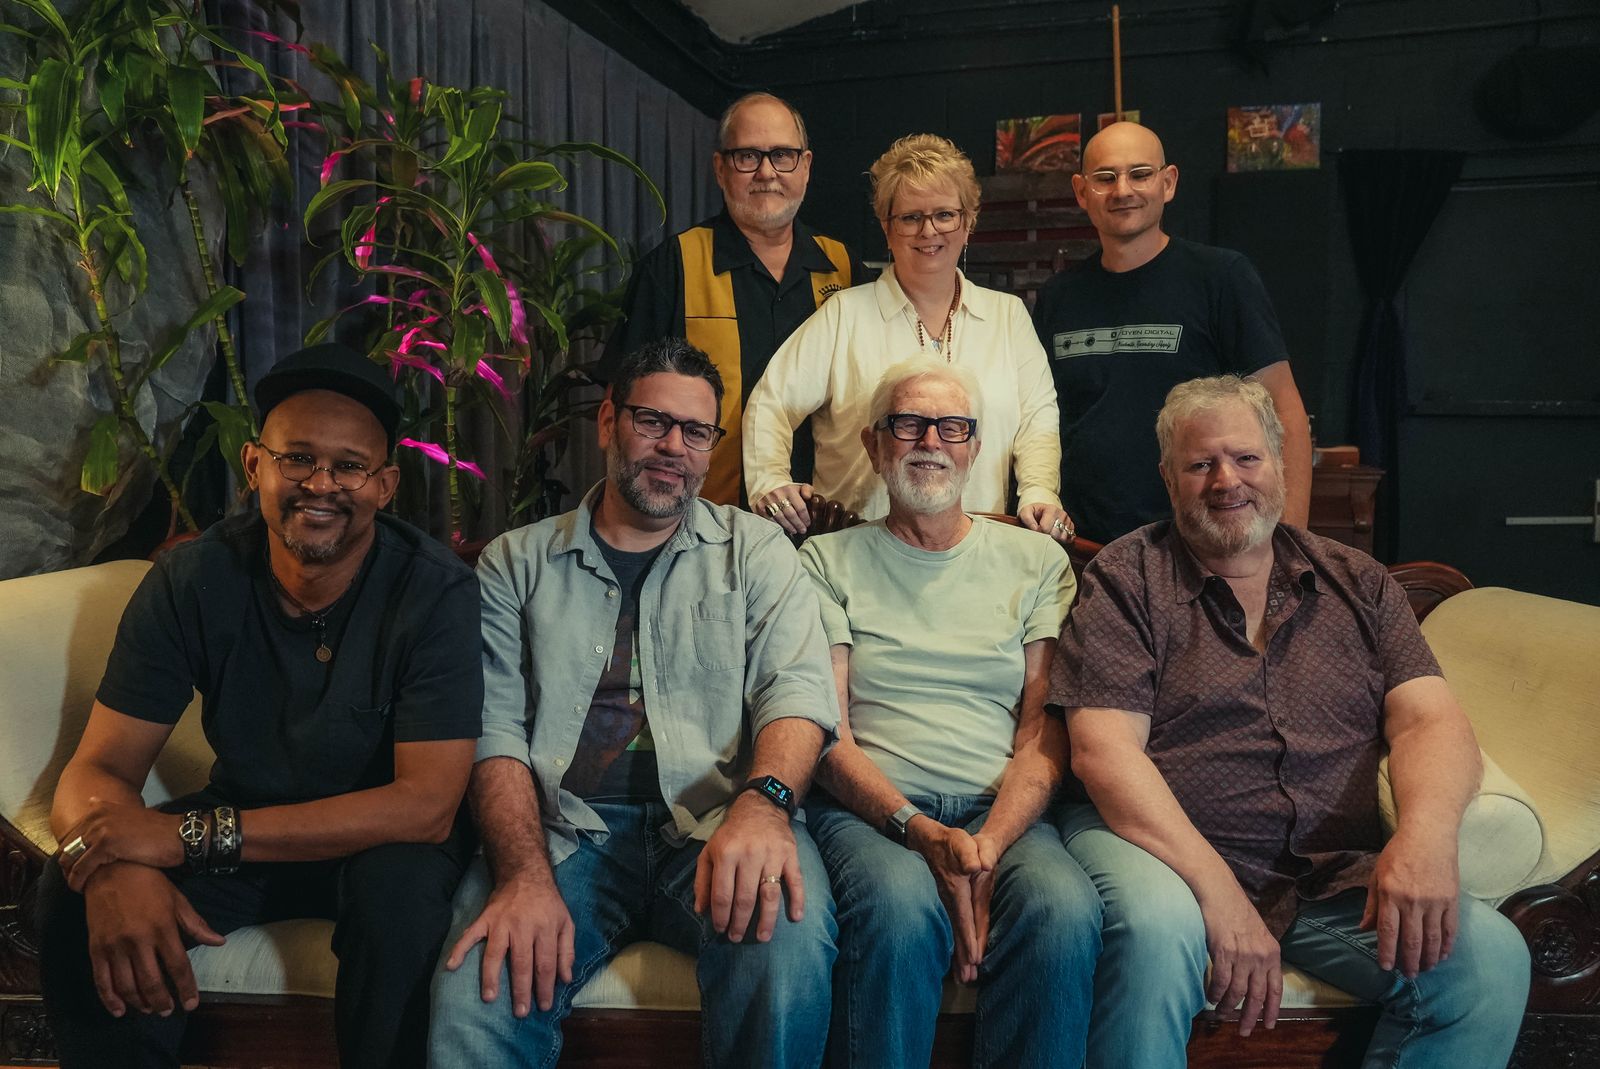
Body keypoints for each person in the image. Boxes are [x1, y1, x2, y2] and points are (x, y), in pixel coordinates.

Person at [1052, 375, 1530, 1067]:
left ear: (1278, 462)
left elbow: (1430, 720)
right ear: (1168, 478)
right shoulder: (1129, 578)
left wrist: (1425, 836)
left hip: (1328, 879)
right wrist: (1219, 895)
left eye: (1246, 457)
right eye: (1201, 463)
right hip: (1168, 858)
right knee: (1156, 928)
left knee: (1490, 963)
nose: (1226, 480)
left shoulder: (1359, 582)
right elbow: (1105, 752)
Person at [38, 343, 484, 1069]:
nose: (321, 484)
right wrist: (115, 865)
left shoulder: (433, 591)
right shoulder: (193, 577)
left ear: (385, 486)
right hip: (248, 815)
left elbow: (425, 807)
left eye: (349, 466)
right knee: (70, 892)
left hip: (383, 838)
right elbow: (100, 768)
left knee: (398, 904)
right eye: (297, 458)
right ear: (254, 466)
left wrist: (184, 838)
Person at [428, 339, 840, 1068]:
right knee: (477, 992)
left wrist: (764, 805)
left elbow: (796, 692)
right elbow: (493, 731)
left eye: (696, 431)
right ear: (608, 421)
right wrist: (522, 873)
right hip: (565, 832)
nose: (673, 447)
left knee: (786, 944)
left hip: (718, 821)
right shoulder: (516, 563)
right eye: (653, 421)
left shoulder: (755, 551)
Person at [797, 360, 1102, 1067]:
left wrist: (990, 843)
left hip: (1004, 810)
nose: (930, 440)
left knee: (1063, 909)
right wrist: (916, 828)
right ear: (875, 445)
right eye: (908, 423)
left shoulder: (1037, 562)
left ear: (974, 447)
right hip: (872, 812)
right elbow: (828, 732)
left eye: (952, 427)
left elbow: (1042, 728)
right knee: (899, 907)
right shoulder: (824, 561)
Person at [744, 133, 1072, 545]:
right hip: (854, 549)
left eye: (945, 215)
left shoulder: (1008, 317)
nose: (928, 231)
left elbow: (1038, 421)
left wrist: (1040, 491)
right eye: (910, 217)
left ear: (969, 222)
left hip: (977, 551)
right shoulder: (845, 315)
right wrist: (770, 482)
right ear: (887, 227)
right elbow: (771, 402)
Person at [1032, 121, 1313, 546]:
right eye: (1105, 178)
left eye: (1140, 174)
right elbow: (1040, 420)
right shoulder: (1058, 296)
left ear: (1168, 183)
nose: (1123, 190)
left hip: (1201, 546)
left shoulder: (1221, 278)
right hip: (1081, 548)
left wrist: (1290, 545)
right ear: (1081, 191)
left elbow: (1284, 411)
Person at [602, 92, 862, 506]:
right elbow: (625, 405)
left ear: (806, 166)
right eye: (747, 156)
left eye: (782, 155)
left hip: (823, 519)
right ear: (720, 168)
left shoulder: (843, 268)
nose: (766, 172)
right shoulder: (675, 265)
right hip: (704, 520)